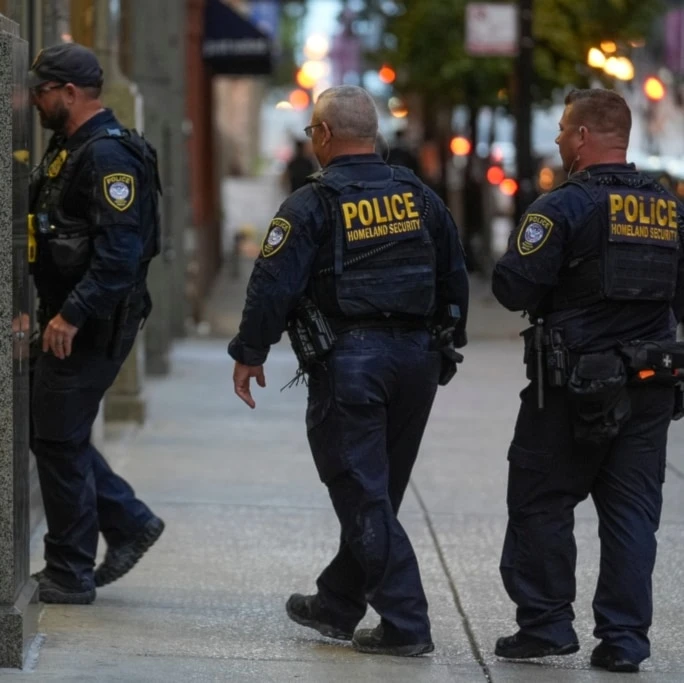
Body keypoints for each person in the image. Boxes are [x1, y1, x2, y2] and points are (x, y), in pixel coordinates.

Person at [228, 85, 469, 656]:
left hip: (353, 363)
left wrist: (250, 351)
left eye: (313, 130)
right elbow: (453, 274)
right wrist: (445, 346)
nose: (312, 140)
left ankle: (407, 623)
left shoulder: (311, 203)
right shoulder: (420, 197)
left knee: (363, 495)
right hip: (417, 360)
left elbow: (272, 284)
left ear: (326, 135)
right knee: (377, 491)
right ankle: (338, 602)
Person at [492, 88, 684, 673]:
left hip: (573, 386)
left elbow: (512, 289)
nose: (556, 139)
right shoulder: (670, 208)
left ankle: (547, 624)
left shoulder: (562, 206)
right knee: (631, 513)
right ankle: (624, 641)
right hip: (651, 380)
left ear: (581, 137)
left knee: (540, 500)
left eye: (561, 130)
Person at [28, 43, 165, 604]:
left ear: (69, 93)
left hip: (93, 323)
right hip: (72, 317)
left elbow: (119, 258)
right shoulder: (71, 147)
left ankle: (70, 570)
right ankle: (128, 522)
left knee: (57, 438)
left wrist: (70, 315)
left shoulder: (107, 158)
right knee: (58, 433)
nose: (33, 101)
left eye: (41, 91)